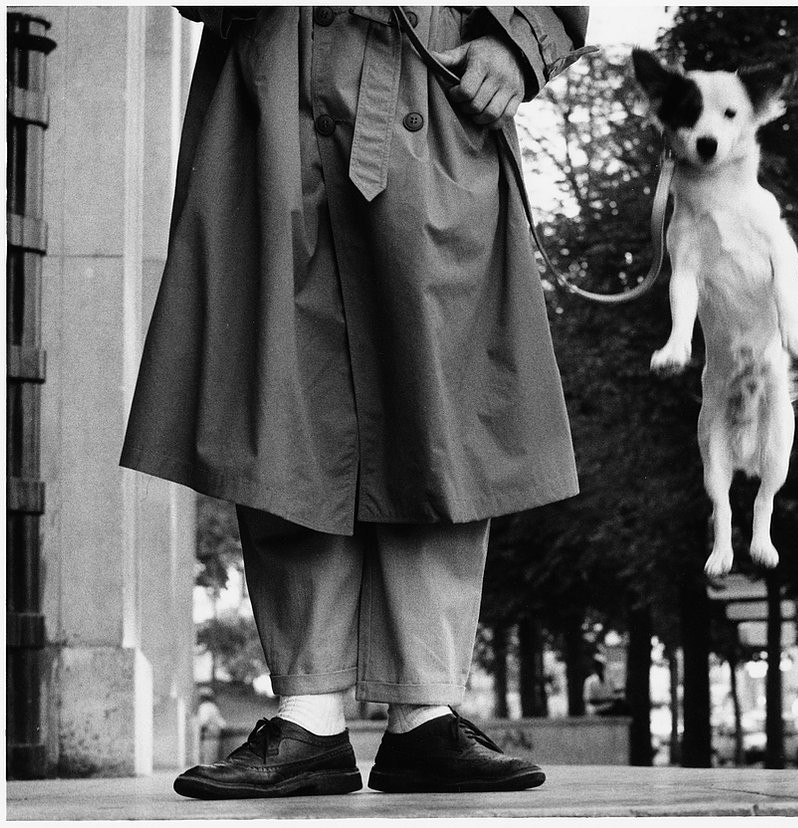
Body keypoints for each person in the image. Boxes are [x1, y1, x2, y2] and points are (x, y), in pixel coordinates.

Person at [120, 6, 590, 799]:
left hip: (434, 84)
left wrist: (523, 38)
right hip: (271, 89)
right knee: (279, 398)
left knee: (443, 406)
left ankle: (425, 714)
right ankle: (308, 717)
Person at [195, 687, 227, 764]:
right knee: (214, 755)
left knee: (207, 756)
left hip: (208, 735)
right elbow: (222, 723)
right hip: (216, 734)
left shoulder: (204, 707)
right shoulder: (213, 707)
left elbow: (203, 721)